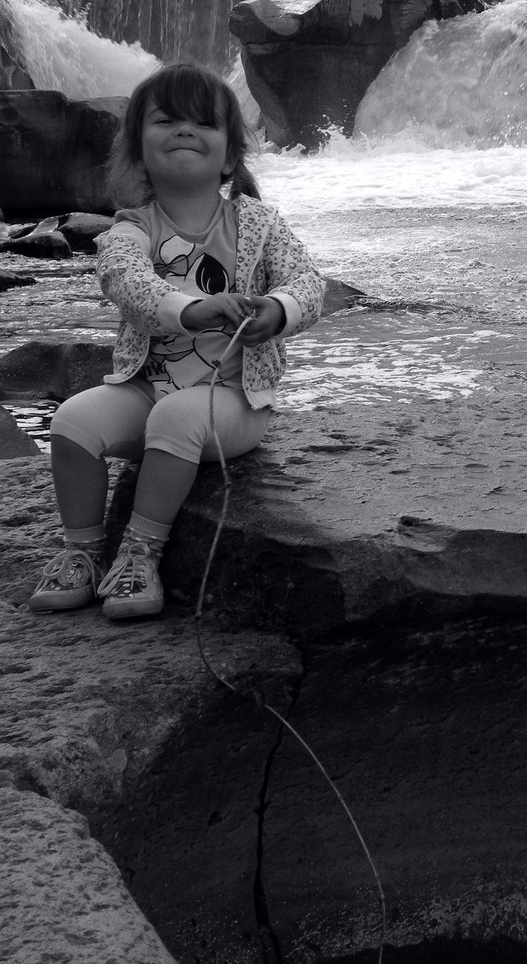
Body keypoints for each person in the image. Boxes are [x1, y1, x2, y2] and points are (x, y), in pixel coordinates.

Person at [28, 62, 325, 619]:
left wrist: (277, 310)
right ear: (140, 152)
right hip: (145, 389)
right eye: (167, 120)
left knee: (178, 420)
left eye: (203, 123)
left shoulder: (258, 224)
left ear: (231, 157)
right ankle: (85, 550)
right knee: (71, 421)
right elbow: (126, 280)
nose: (185, 130)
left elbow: (308, 283)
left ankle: (141, 553)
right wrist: (191, 309)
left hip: (235, 399)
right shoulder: (131, 228)